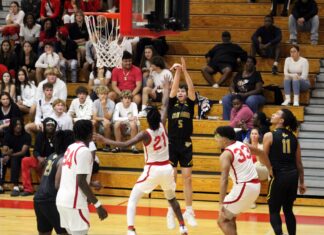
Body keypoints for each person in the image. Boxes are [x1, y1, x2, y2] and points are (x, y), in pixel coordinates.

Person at [94, 79, 189, 235]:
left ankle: (131, 230)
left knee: (133, 199)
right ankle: (182, 227)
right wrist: (166, 89)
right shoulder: (163, 126)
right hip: (167, 168)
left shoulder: (145, 134)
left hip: (153, 169)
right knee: (172, 199)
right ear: (158, 119)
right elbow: (165, 105)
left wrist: (105, 140)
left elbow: (125, 145)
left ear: (147, 120)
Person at [214, 126, 271, 235]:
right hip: (255, 186)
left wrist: (221, 202)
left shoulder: (225, 154)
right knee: (230, 217)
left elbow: (224, 180)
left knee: (222, 220)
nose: (215, 139)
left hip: (244, 187)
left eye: (217, 136)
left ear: (225, 139)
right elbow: (262, 153)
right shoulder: (243, 144)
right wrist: (270, 169)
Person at [56, 120, 108, 235]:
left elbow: (73, 176)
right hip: (74, 203)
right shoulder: (84, 151)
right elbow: (80, 181)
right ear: (90, 135)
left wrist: (90, 187)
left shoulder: (70, 147)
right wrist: (98, 205)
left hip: (62, 201)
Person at [263, 109, 306, 235]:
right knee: (288, 210)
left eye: (276, 114)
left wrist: (269, 168)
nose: (272, 114)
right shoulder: (294, 137)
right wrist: (302, 183)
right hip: (293, 176)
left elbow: (263, 156)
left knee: (274, 210)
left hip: (279, 176)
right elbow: (299, 163)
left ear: (281, 120)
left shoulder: (269, 135)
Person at [167, 58, 197, 228]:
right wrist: (177, 71)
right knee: (172, 178)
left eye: (182, 91)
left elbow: (192, 89)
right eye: (178, 91)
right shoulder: (172, 105)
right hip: (171, 143)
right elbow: (172, 88)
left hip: (185, 143)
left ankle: (189, 211)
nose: (180, 93)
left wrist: (184, 70)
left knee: (187, 178)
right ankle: (171, 211)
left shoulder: (190, 105)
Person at [33, 130, 74, 235]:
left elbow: (43, 178)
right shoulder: (64, 159)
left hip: (38, 198)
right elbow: (57, 184)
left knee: (44, 232)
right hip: (52, 200)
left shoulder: (52, 156)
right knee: (65, 232)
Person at [20, 117, 57, 196]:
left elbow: (58, 153)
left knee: (47, 165)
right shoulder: (40, 135)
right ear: (44, 126)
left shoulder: (57, 136)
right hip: (40, 159)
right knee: (25, 160)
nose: (50, 127)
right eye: (48, 125)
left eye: (52, 125)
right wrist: (39, 158)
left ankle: (47, 188)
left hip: (53, 161)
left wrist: (47, 159)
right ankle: (28, 189)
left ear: (55, 127)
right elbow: (35, 150)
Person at [222, 56, 265, 120]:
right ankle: (228, 121)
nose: (249, 63)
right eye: (247, 62)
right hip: (240, 96)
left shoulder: (257, 74)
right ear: (245, 63)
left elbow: (258, 89)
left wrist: (246, 94)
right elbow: (231, 86)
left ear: (254, 64)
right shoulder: (239, 74)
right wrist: (233, 92)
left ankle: (251, 122)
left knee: (251, 100)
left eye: (251, 62)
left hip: (255, 96)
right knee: (226, 98)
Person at [0, 118, 31, 196]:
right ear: (12, 126)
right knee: (1, 159)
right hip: (11, 156)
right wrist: (5, 155)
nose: (18, 126)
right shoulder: (8, 135)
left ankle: (15, 186)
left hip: (23, 158)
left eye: (20, 124)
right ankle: (0, 185)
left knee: (15, 159)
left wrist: (9, 155)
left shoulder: (26, 136)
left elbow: (23, 152)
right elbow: (4, 149)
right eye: (16, 125)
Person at [92, 85, 115, 152]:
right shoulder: (95, 102)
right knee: (93, 122)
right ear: (98, 95)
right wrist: (102, 119)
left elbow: (108, 117)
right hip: (99, 120)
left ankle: (107, 145)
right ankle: (94, 143)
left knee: (106, 123)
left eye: (105, 94)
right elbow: (94, 117)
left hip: (108, 122)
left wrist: (104, 106)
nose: (103, 96)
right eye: (101, 94)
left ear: (107, 94)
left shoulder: (111, 103)